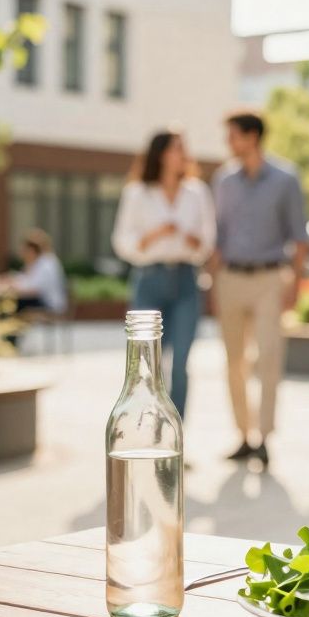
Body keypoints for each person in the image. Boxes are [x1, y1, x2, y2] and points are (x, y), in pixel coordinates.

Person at [211, 111, 309, 468]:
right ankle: (243, 435)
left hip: (270, 278)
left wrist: (295, 286)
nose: (228, 143)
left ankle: (264, 438)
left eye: (233, 136)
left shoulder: (286, 179)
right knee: (233, 361)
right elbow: (218, 237)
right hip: (230, 280)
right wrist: (213, 281)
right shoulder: (223, 181)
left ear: (252, 137)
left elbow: (300, 237)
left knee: (268, 357)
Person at [112, 130, 217, 421]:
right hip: (149, 280)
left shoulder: (197, 192)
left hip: (186, 280)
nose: (183, 155)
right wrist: (155, 235)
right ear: (160, 154)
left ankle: (176, 437)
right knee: (147, 364)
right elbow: (122, 241)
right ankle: (150, 431)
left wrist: (193, 241)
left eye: (184, 149)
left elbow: (208, 241)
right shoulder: (137, 192)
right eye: (176, 149)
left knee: (180, 362)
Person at [7, 228, 67, 314]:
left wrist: (12, 287)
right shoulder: (38, 262)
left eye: (25, 249)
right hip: (43, 300)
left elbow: (35, 289)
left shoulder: (47, 263)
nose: (22, 253)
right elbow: (25, 279)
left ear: (31, 249)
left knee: (12, 305)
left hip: (49, 304)